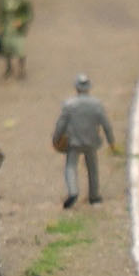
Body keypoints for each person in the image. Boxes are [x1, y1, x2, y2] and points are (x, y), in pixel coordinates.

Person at [51, 74, 117, 208]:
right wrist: (111, 141)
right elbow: (106, 124)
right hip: (91, 142)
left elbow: (61, 124)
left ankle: (73, 191)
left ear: (76, 88)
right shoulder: (97, 104)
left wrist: (56, 138)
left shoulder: (69, 105)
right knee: (93, 168)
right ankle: (94, 196)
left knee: (70, 166)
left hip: (74, 142)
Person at [0, 0, 32, 80]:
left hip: (17, 29)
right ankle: (9, 68)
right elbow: (2, 13)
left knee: (20, 49)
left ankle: (21, 69)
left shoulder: (22, 0)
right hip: (7, 27)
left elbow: (28, 13)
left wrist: (21, 20)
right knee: (6, 47)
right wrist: (0, 25)